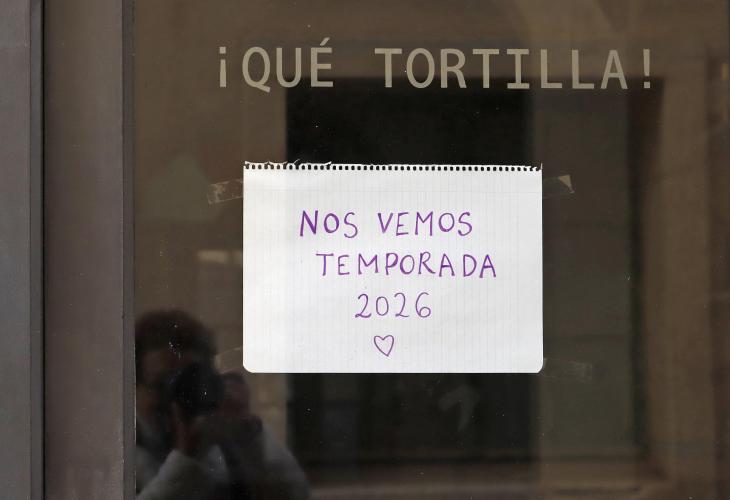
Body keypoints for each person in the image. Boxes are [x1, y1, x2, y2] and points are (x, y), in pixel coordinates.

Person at [135, 309, 309, 500]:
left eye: (188, 382)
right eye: (163, 384)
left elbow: (297, 494)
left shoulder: (223, 429)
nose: (177, 397)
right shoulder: (123, 449)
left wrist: (249, 439)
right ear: (133, 389)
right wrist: (187, 455)